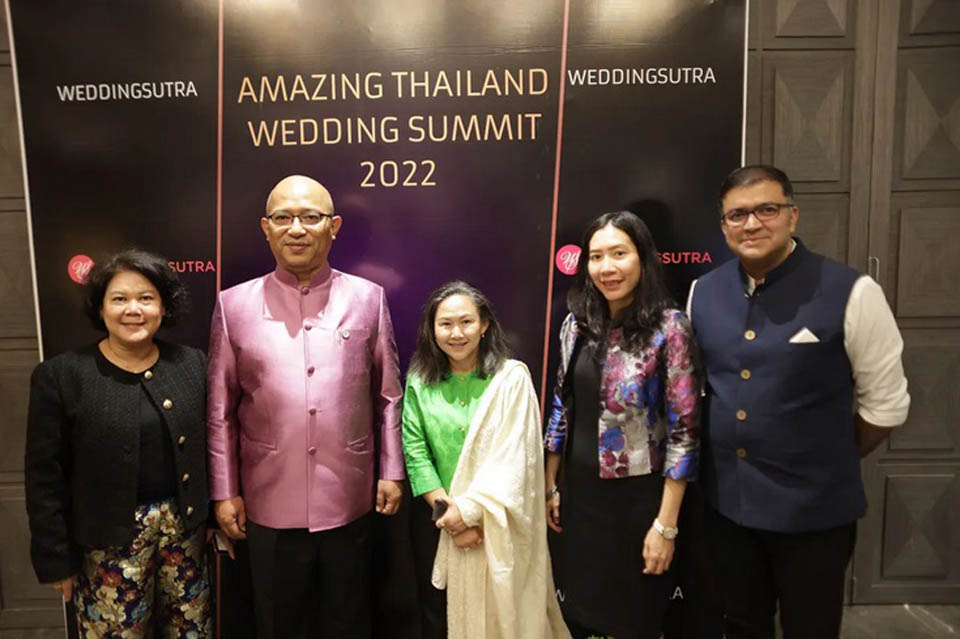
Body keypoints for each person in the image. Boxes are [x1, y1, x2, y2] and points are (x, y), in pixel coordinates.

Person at [687, 165, 911, 638]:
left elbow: (885, 407)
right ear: (723, 225)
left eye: (767, 209)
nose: (752, 224)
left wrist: (822, 456)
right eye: (737, 215)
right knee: (741, 624)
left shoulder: (853, 292)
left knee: (811, 628)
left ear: (793, 215)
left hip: (815, 515)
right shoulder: (702, 293)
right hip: (728, 509)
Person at [207, 175, 404, 639]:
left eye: (310, 217)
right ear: (266, 228)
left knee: (349, 620)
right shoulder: (233, 305)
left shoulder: (368, 298)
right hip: (268, 497)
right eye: (283, 218)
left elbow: (388, 395)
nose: (296, 229)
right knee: (279, 623)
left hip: (350, 495)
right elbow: (220, 409)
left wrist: (391, 470)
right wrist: (224, 491)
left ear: (333, 226)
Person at [25, 249, 212, 638]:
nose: (134, 310)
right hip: (104, 543)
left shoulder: (192, 365)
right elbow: (44, 477)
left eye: (146, 298)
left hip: (184, 537)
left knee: (191, 632)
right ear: (101, 307)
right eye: (120, 298)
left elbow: (210, 449)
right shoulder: (62, 375)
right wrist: (56, 559)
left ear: (163, 306)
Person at [544, 211, 702, 639]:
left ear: (642, 258)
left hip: (638, 503)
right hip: (579, 499)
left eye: (619, 254)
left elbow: (685, 432)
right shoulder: (577, 324)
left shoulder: (669, 328)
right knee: (582, 616)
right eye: (596, 256)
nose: (606, 267)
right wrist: (551, 484)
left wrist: (665, 525)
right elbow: (561, 404)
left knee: (633, 621)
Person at [402, 281, 570, 639]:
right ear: (432, 329)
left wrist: (473, 512)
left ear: (485, 325)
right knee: (439, 619)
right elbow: (416, 453)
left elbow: (517, 463)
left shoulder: (511, 380)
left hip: (499, 525)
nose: (456, 333)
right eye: (445, 324)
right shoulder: (419, 381)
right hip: (437, 521)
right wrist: (453, 519)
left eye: (466, 322)